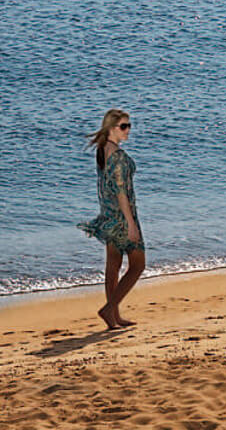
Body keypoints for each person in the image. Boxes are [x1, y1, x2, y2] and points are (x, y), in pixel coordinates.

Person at [78, 108, 145, 329]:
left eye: (129, 126)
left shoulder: (103, 150)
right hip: (122, 217)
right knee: (137, 265)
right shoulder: (117, 157)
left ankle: (114, 316)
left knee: (113, 265)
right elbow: (120, 191)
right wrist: (131, 224)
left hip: (108, 215)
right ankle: (109, 309)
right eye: (124, 126)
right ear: (111, 128)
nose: (128, 130)